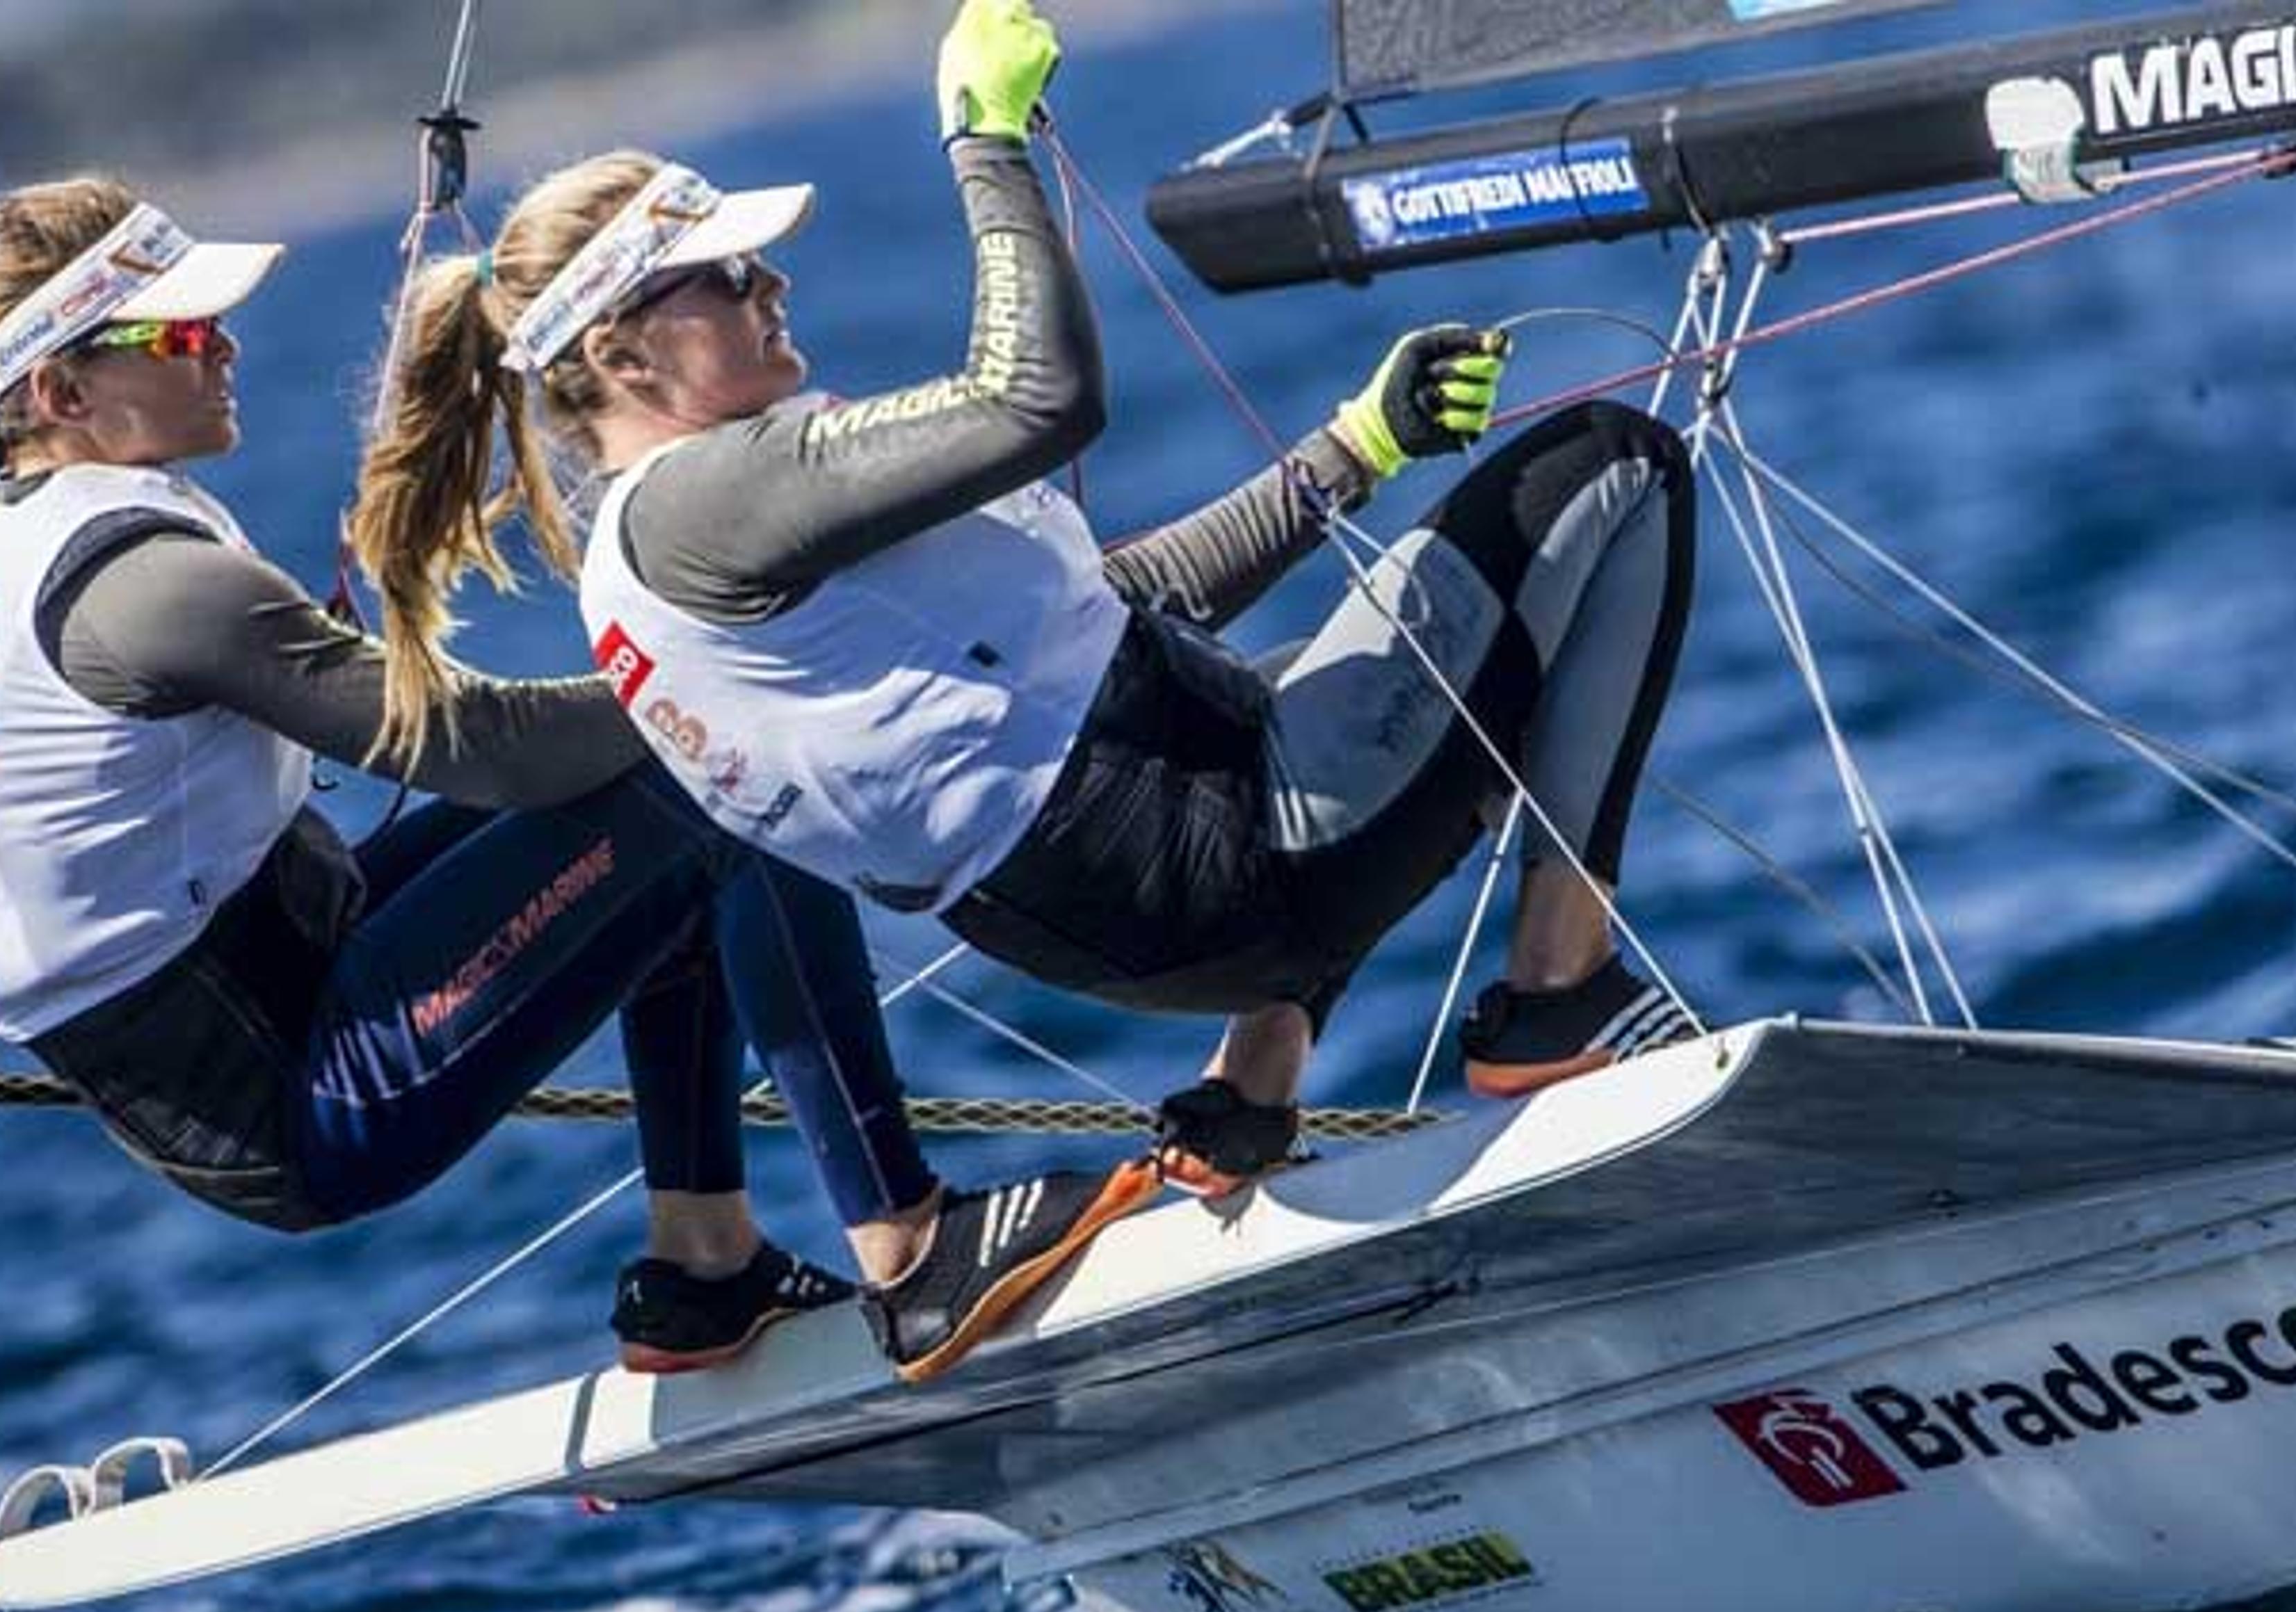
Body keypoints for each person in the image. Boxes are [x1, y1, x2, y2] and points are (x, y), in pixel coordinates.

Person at [362, 0, 1698, 1283]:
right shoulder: (712, 499)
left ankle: (1249, 1092)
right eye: (719, 273)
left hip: (1142, 904)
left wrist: (1355, 449)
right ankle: (1555, 1004)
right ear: (623, 351)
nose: (768, 278)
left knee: (1352, 664)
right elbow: (1037, 397)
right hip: (1217, 863)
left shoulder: (663, 553)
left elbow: (1116, 616)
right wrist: (983, 142)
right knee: (1615, 467)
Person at [0, 173, 1153, 1389]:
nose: (221, 345)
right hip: (286, 1099)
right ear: (57, 393)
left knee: (668, 810)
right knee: (711, 783)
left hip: (259, 977)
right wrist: (730, 669)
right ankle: (912, 1255)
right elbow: (488, 749)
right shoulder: (147, 592)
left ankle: (707, 1275)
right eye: (174, 333)